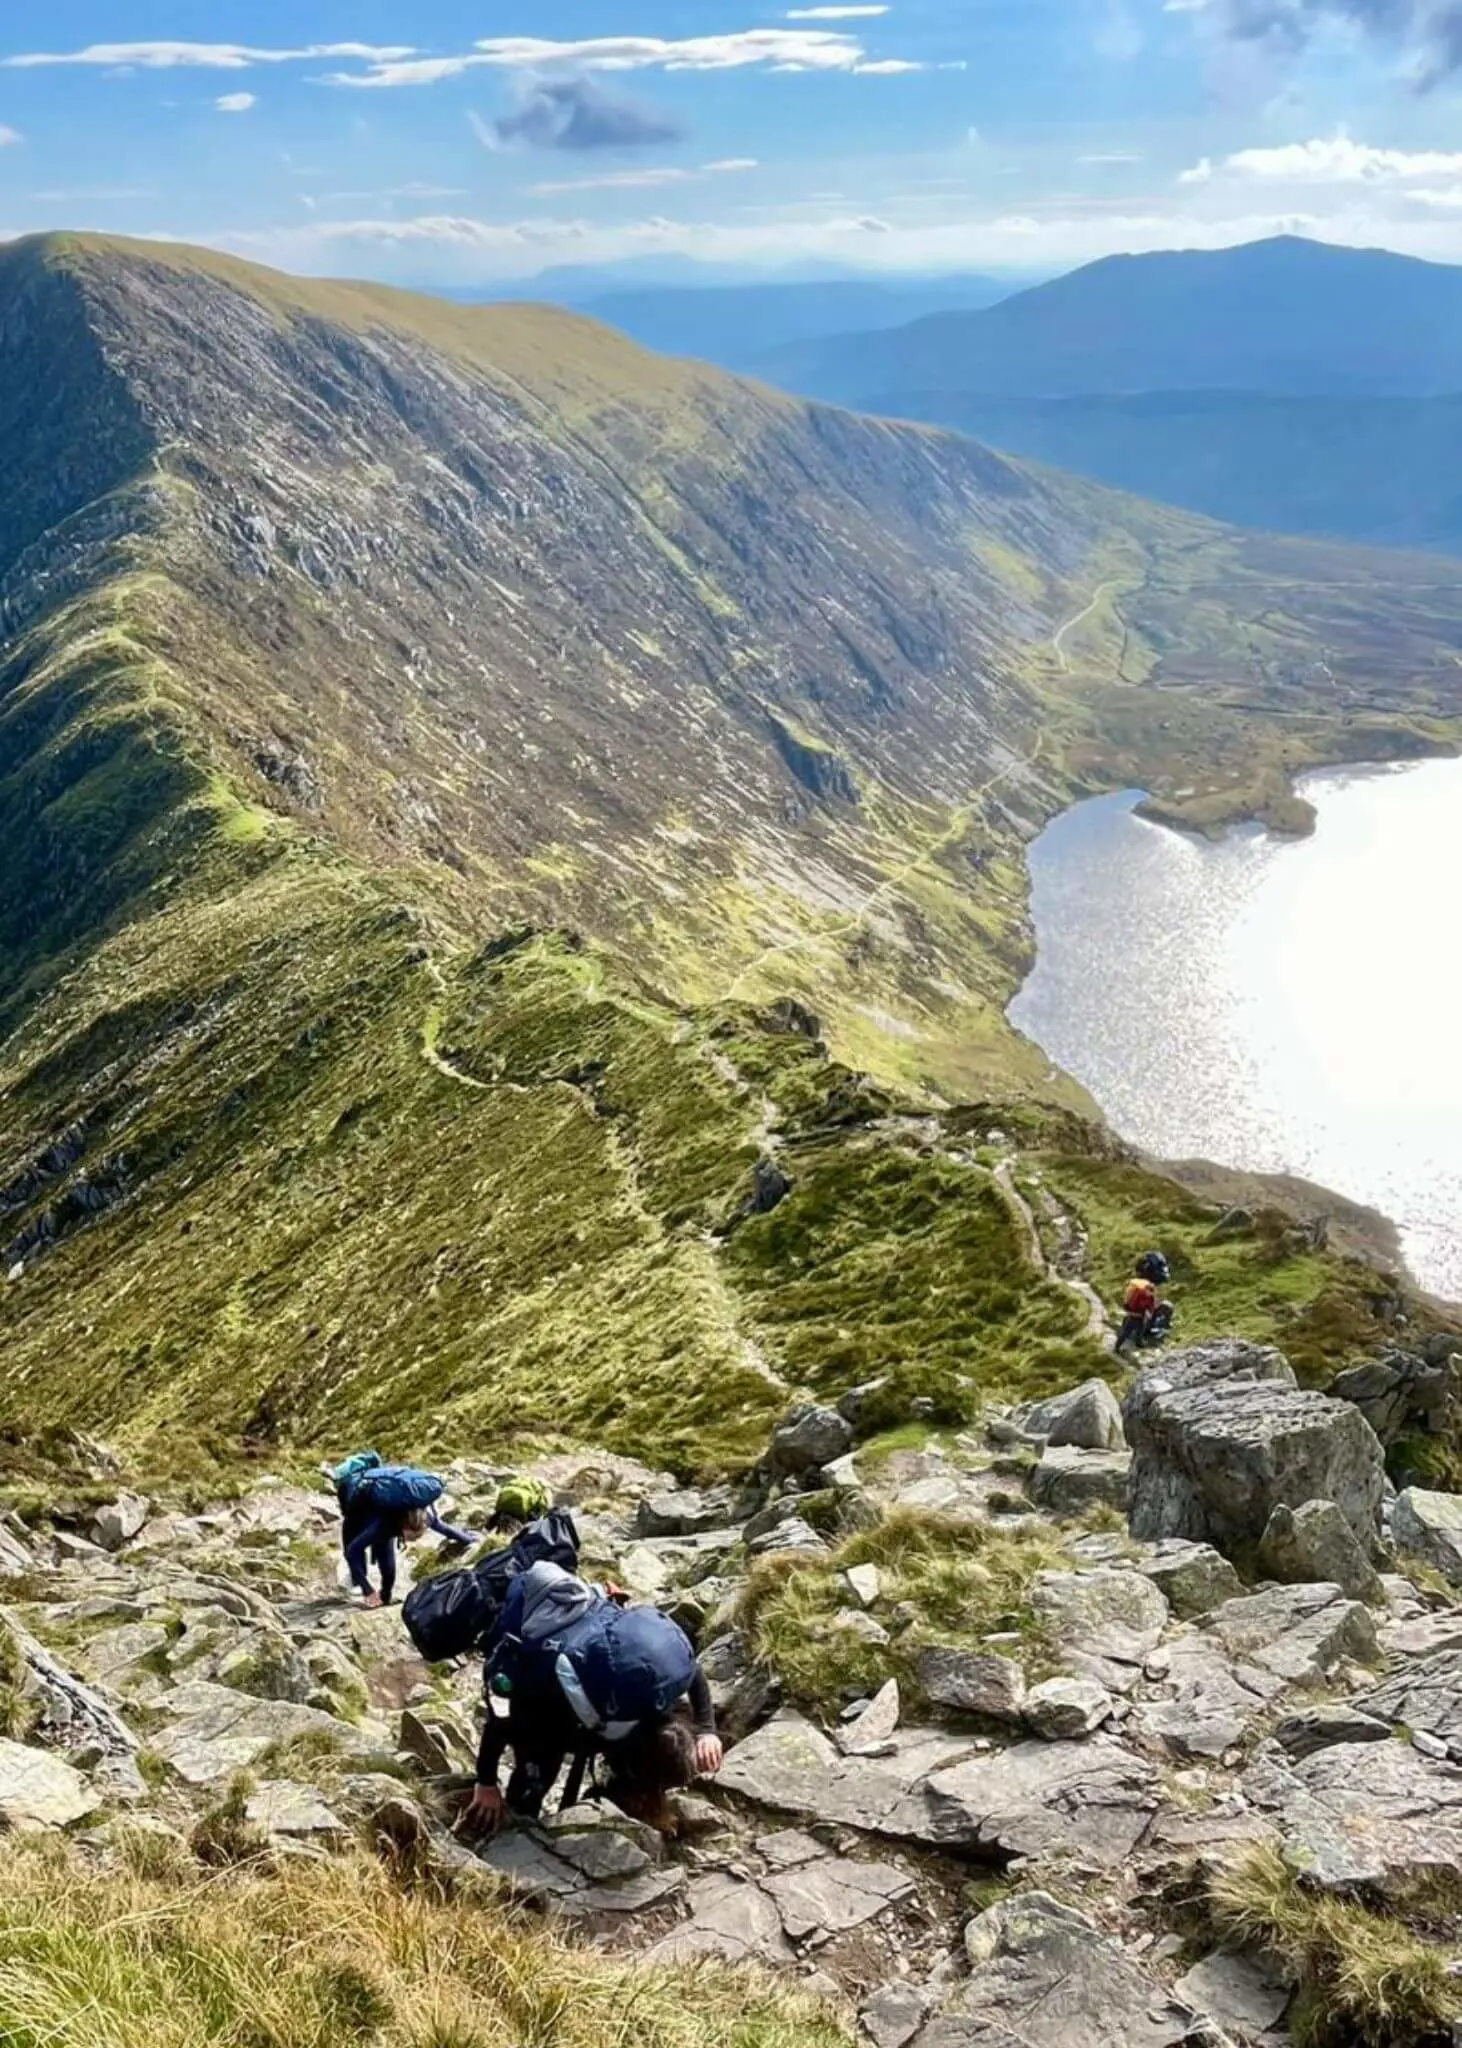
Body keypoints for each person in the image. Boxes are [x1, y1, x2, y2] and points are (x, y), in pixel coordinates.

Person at [460, 1564, 723, 1838]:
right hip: (542, 1691)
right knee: (537, 1773)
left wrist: (706, 1731)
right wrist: (486, 1782)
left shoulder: (659, 1683)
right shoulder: (570, 1706)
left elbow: (692, 1670)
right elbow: (502, 1718)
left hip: (588, 1674)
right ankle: (513, 1831)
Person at [333, 1459, 477, 1610]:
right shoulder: (383, 1525)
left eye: (419, 1535)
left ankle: (384, 1597)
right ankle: (357, 1583)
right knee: (357, 1550)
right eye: (413, 1537)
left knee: (388, 1568)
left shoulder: (426, 1517)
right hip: (355, 1507)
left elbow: (445, 1529)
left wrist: (469, 1539)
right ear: (404, 1527)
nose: (416, 1540)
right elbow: (351, 1551)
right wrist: (367, 1589)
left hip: (380, 1516)